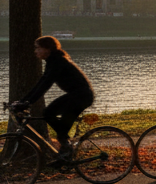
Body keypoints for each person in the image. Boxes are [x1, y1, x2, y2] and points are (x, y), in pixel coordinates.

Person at [11, 35, 95, 163]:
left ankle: (66, 148)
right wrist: (24, 101)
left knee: (51, 115)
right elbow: (41, 82)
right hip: (76, 95)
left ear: (48, 49)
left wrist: (27, 102)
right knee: (50, 115)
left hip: (81, 97)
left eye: (38, 48)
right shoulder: (52, 61)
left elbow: (46, 85)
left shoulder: (58, 62)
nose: (35, 51)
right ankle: (65, 149)